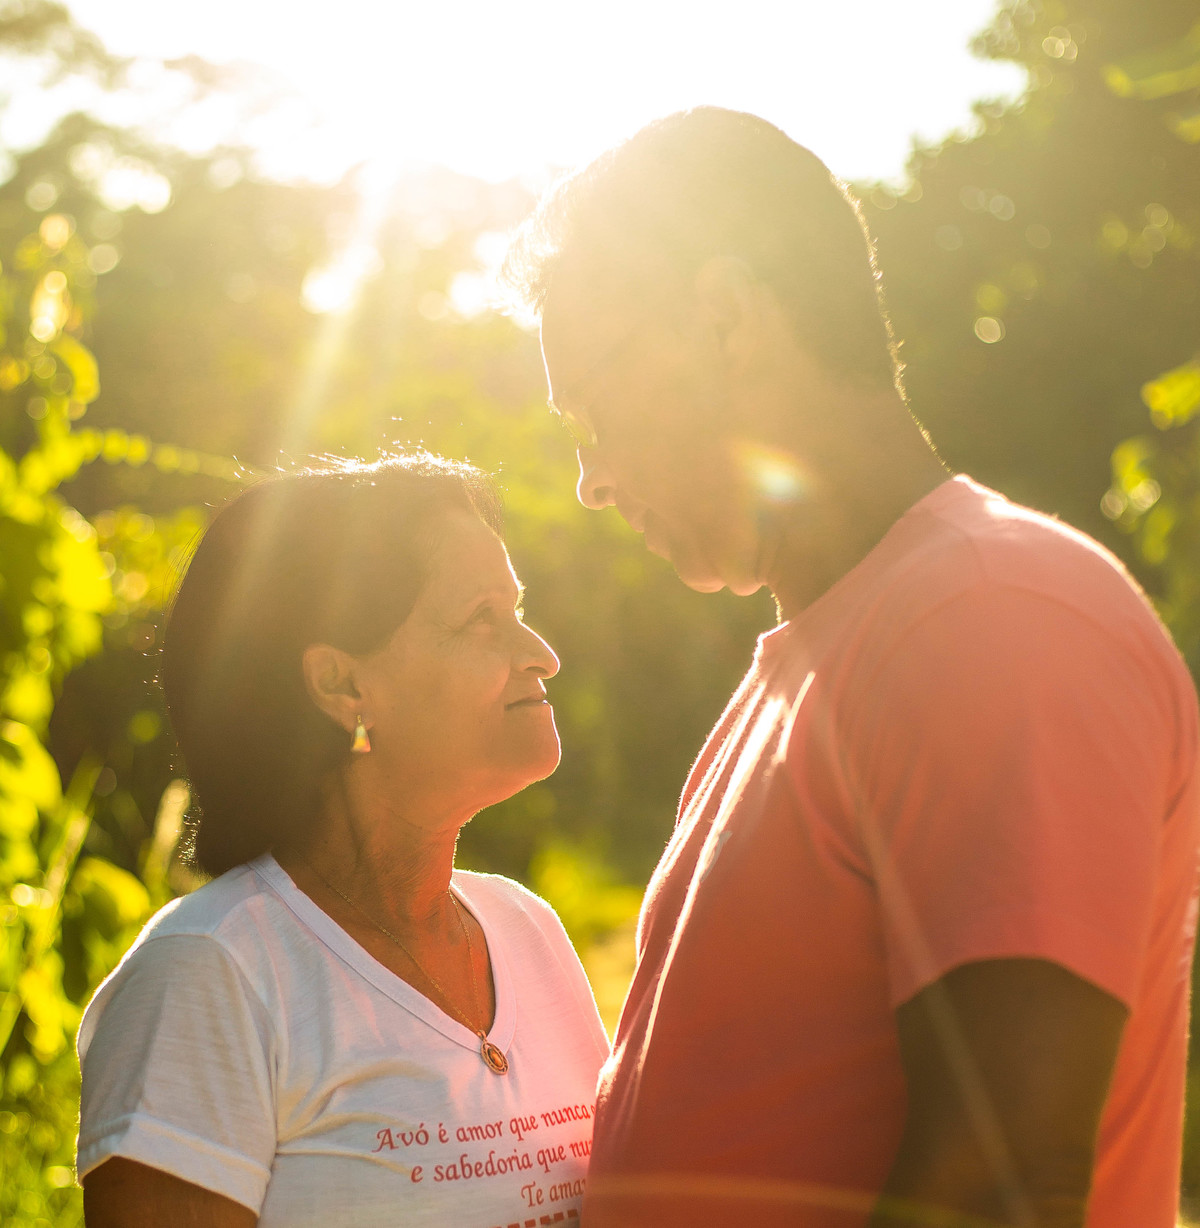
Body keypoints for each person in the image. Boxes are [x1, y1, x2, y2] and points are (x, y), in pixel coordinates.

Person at [502, 107, 1200, 1228]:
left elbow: (1004, 1177)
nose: (589, 477)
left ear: (726, 318)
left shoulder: (988, 610)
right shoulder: (811, 659)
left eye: (593, 406)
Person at [76, 454, 609, 1227]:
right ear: (341, 686)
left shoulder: (530, 933)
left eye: (519, 610)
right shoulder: (208, 976)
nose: (541, 654)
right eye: (481, 619)